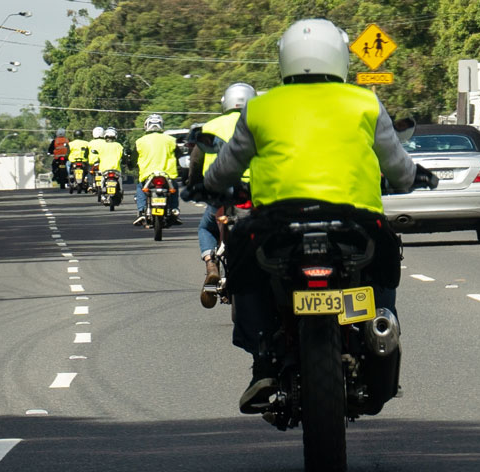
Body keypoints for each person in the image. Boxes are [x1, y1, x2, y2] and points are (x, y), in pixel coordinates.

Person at [205, 18, 414, 412]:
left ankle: (263, 359)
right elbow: (401, 171)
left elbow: (225, 169)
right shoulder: (365, 102)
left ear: (285, 57)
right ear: (339, 56)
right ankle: (379, 328)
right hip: (356, 223)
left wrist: (212, 182)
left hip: (276, 225)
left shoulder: (260, 106)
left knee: (242, 265)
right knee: (384, 263)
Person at [191, 83, 257, 288]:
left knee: (206, 227)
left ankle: (211, 264)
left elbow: (195, 162)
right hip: (258, 191)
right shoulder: (263, 124)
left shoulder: (210, 127)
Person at [133, 114, 179, 226]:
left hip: (147, 174)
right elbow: (179, 155)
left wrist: (132, 165)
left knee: (141, 188)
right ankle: (174, 210)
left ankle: (142, 211)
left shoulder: (140, 141)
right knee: (174, 188)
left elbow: (134, 158)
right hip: (167, 174)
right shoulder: (171, 140)